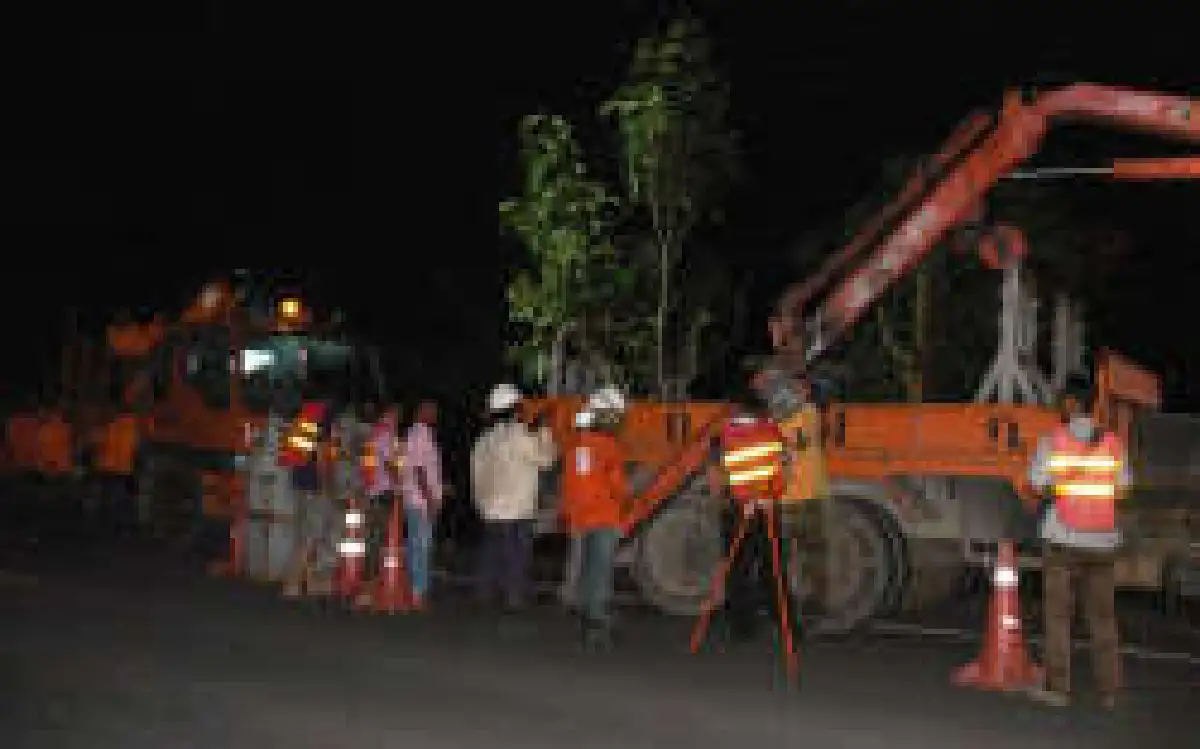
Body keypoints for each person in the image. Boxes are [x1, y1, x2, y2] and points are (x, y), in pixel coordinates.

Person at [1026, 373, 1129, 710]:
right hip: (1103, 542)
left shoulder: (1052, 440)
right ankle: (1110, 691)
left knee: (1058, 617)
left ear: (1071, 403)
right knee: (1103, 618)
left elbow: (1037, 484)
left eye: (1062, 400)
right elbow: (1124, 488)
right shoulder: (1113, 443)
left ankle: (1058, 689)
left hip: (1063, 540)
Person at [706, 388, 803, 648]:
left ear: (737, 410)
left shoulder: (722, 436)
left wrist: (721, 501)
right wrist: (772, 495)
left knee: (738, 569)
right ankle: (787, 624)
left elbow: (716, 475)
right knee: (773, 568)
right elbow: (788, 466)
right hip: (766, 507)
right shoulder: (773, 432)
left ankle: (741, 626)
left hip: (737, 509)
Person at [470, 383, 557, 609]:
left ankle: (484, 594)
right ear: (514, 408)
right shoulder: (519, 434)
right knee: (516, 554)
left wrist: (480, 502)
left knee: (491, 553)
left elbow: (476, 474)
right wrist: (544, 432)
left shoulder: (484, 439)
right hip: (517, 507)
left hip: (490, 507)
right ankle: (514, 597)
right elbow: (546, 460)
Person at [560, 387, 630, 650]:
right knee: (600, 571)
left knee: (589, 569)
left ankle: (588, 615)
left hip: (582, 516)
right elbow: (617, 487)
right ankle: (597, 623)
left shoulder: (578, 444)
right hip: (604, 516)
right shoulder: (609, 446)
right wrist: (625, 501)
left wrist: (572, 514)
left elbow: (572, 484)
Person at [401, 400, 445, 609]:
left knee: (415, 545)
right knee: (421, 546)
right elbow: (419, 469)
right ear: (421, 412)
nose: (435, 415)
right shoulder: (421, 434)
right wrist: (430, 498)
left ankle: (414, 590)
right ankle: (418, 592)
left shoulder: (415, 433)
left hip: (415, 497)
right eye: (432, 411)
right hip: (420, 500)